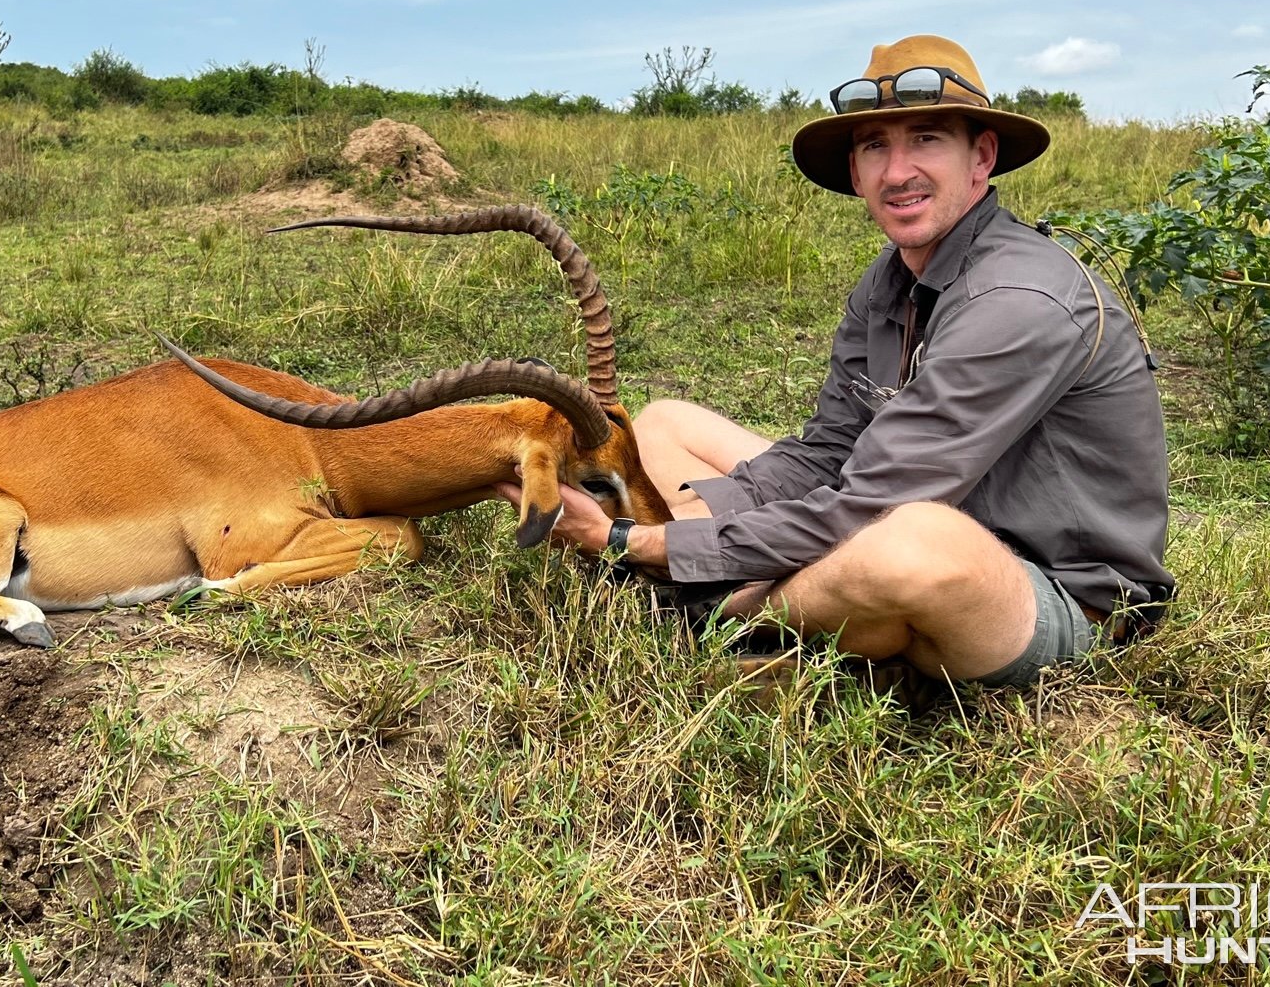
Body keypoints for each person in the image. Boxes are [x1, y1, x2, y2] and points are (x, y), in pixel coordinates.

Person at [501, 34, 1175, 687]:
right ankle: (818, 613)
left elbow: (875, 500)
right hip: (890, 512)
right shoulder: (890, 277)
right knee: (667, 424)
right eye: (875, 145)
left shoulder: (1020, 298)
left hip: (1044, 591)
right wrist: (705, 526)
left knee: (915, 541)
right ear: (854, 172)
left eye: (927, 140)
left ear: (982, 158)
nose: (897, 170)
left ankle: (714, 614)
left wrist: (638, 544)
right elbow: (829, 454)